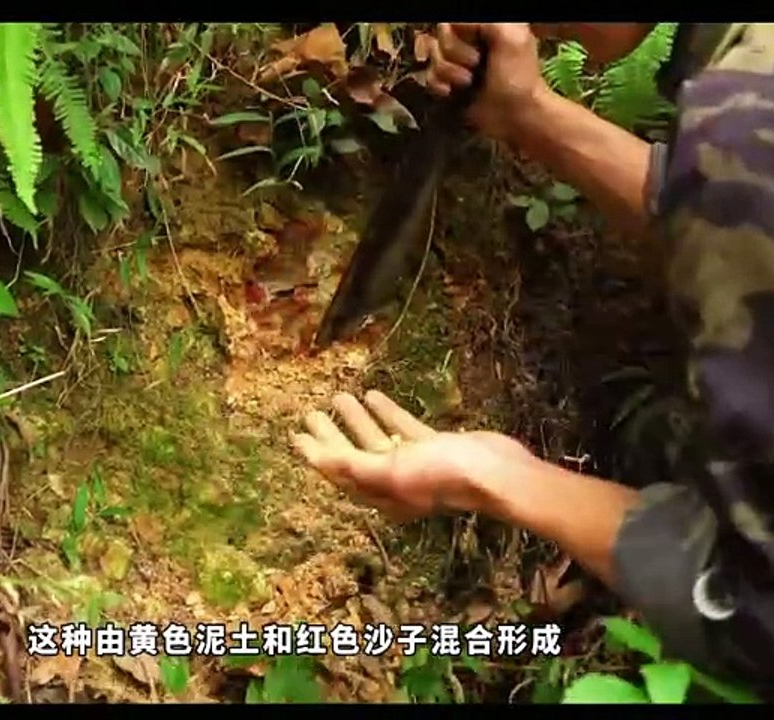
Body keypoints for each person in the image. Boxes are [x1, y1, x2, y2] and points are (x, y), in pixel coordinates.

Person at [292, 23, 774, 697]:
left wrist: (504, 480)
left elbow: (758, 609)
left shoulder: (748, 114)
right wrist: (530, 115)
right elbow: (736, 211)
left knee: (646, 426)